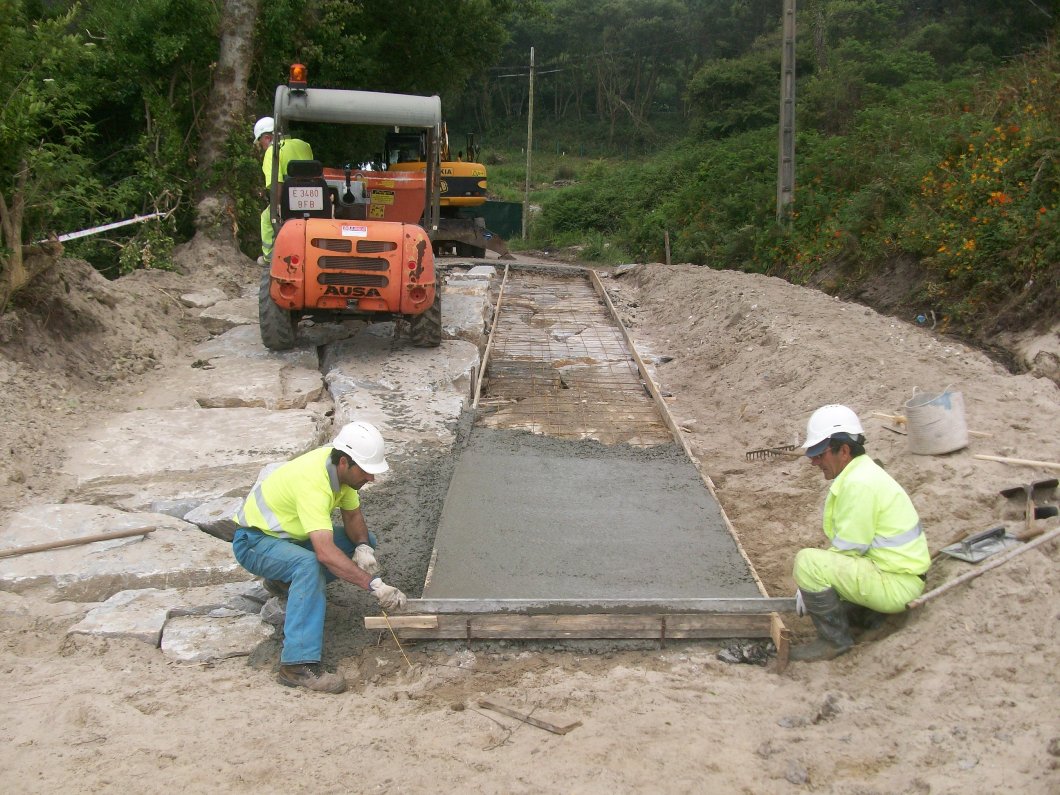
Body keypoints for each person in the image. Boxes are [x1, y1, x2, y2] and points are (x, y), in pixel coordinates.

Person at [231, 420, 408, 693]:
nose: (371, 479)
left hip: (288, 539)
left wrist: (363, 548)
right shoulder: (314, 483)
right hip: (255, 542)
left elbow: (353, 517)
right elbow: (325, 553)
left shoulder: (345, 477)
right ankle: (296, 666)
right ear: (344, 463)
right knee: (309, 565)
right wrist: (373, 585)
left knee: (362, 540)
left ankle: (285, 583)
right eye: (367, 471)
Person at [791, 404, 930, 662]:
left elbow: (848, 549)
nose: (814, 462)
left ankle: (833, 641)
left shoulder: (859, 484)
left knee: (808, 563)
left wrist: (808, 587)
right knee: (826, 569)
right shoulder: (862, 474)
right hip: (898, 574)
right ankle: (865, 615)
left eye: (820, 455)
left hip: (896, 584)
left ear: (843, 450)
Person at [254, 116, 314, 264]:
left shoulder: (272, 152)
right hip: (314, 201)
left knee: (266, 218)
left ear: (267, 138)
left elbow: (277, 184)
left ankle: (270, 258)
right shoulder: (304, 145)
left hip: (290, 202)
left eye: (261, 143)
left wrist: (277, 207)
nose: (262, 147)